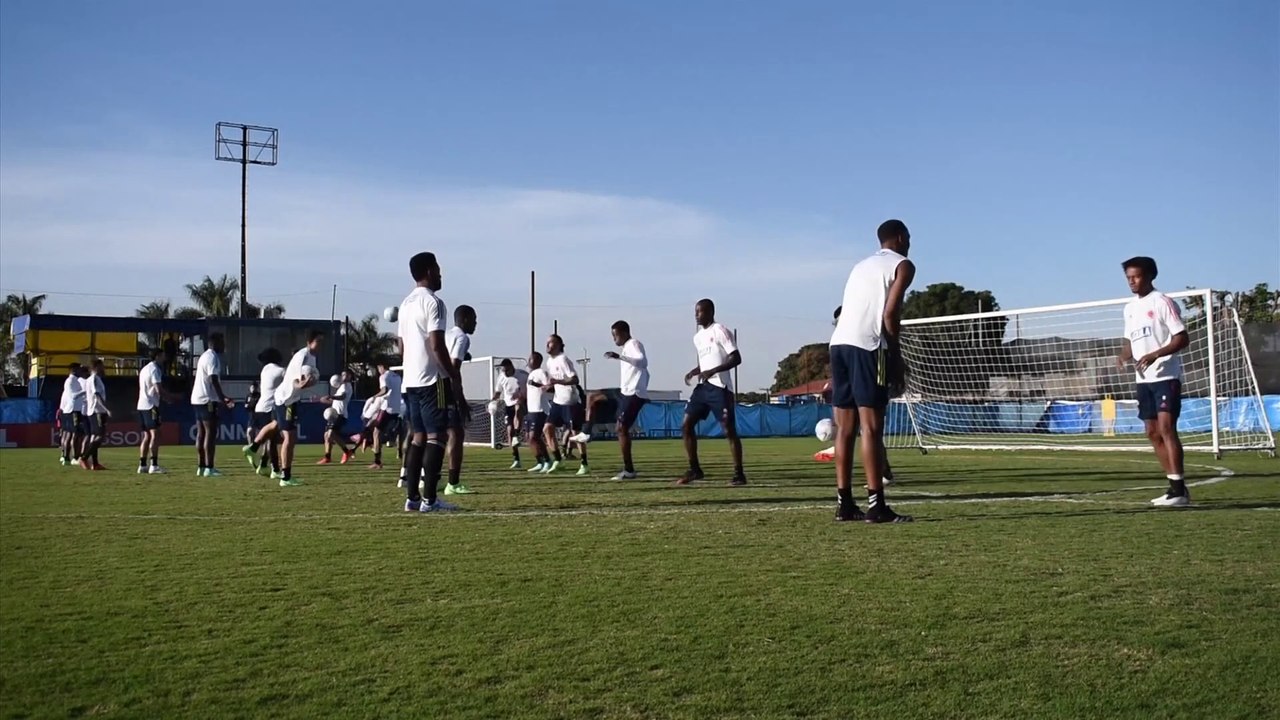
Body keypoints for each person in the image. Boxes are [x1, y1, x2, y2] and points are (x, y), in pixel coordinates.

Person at [829, 219, 916, 523]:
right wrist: (896, 358)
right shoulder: (903, 265)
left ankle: (844, 504)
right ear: (900, 237)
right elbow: (890, 314)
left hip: (838, 345)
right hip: (869, 346)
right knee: (872, 427)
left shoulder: (860, 265)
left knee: (845, 428)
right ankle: (876, 506)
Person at [397, 251, 468, 512]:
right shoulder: (434, 302)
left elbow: (401, 347)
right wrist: (452, 374)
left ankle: (412, 499)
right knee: (436, 436)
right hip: (431, 380)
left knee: (418, 437)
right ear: (429, 270)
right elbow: (437, 345)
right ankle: (430, 499)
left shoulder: (405, 304)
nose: (440, 274)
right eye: (438, 269)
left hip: (411, 381)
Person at [1118, 255, 1191, 507]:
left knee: (1167, 428)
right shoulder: (1129, 308)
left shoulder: (1162, 302)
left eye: (1136, 276)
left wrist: (1155, 354)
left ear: (1150, 276)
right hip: (1143, 380)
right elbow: (1129, 340)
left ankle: (1179, 490)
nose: (1132, 282)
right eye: (1128, 278)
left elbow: (1182, 338)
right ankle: (1174, 488)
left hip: (1166, 377)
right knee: (1152, 432)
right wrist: (1124, 355)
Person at [823, 306, 896, 486]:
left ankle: (882, 475)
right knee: (848, 429)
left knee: (869, 428)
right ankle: (848, 497)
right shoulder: (840, 342)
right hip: (851, 361)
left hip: (869, 356)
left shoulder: (865, 333)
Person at [678, 299, 746, 486]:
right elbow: (707, 361)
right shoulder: (698, 337)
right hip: (703, 387)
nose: (696, 315)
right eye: (695, 311)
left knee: (729, 431)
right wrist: (696, 370)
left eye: (699, 311)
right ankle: (695, 469)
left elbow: (736, 358)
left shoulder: (720, 330)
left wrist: (713, 371)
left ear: (710, 312)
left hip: (720, 388)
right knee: (686, 425)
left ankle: (739, 474)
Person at [573, 320, 649, 480]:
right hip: (623, 392)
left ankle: (629, 470)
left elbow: (643, 362)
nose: (614, 339)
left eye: (615, 335)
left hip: (635, 394)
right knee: (592, 396)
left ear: (624, 333)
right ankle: (586, 433)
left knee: (621, 429)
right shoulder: (626, 348)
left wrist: (620, 357)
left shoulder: (634, 343)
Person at [542, 334, 588, 475]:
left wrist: (557, 382)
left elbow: (575, 379)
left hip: (570, 401)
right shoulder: (549, 362)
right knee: (547, 429)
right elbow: (554, 382)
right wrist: (549, 387)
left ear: (557, 345)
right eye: (547, 343)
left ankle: (584, 463)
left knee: (575, 433)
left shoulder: (563, 360)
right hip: (557, 401)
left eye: (550, 343)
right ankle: (558, 460)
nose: (547, 345)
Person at [443, 305, 477, 495]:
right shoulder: (462, 337)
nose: (476, 324)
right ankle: (453, 483)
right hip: (446, 388)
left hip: (432, 385)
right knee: (456, 433)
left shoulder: (447, 335)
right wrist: (460, 397)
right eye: (474, 319)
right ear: (464, 320)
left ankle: (426, 478)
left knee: (433, 433)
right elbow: (454, 368)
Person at [191, 333, 235, 477]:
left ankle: (201, 466)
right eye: (222, 342)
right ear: (216, 343)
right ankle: (209, 467)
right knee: (210, 432)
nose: (224, 346)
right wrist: (222, 398)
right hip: (207, 399)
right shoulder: (212, 358)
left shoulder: (204, 356)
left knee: (201, 433)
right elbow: (213, 379)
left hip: (197, 398)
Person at [242, 348, 286, 478]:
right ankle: (273, 468)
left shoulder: (265, 369)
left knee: (271, 440)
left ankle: (264, 465)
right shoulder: (278, 370)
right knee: (272, 441)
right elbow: (288, 375)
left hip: (260, 407)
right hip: (269, 409)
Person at [136, 347, 175, 474]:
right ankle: (154, 464)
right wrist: (169, 398)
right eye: (163, 355)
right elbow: (158, 388)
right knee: (155, 434)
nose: (165, 358)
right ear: (157, 356)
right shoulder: (154, 370)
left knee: (146, 435)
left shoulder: (144, 369)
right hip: (151, 405)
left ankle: (142, 465)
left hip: (141, 405)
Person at [523, 351, 554, 472]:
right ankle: (539, 462)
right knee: (529, 437)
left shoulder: (542, 373)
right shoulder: (531, 374)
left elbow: (550, 388)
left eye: (530, 359)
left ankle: (547, 461)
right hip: (531, 410)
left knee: (534, 436)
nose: (528, 361)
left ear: (536, 360)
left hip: (540, 410)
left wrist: (536, 384)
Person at [370, 359, 403, 471]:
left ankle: (377, 461)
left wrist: (375, 396)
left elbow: (384, 390)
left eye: (378, 368)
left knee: (376, 432)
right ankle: (399, 451)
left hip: (387, 408)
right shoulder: (397, 377)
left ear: (381, 366)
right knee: (398, 432)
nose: (378, 371)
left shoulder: (384, 377)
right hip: (397, 408)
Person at [491, 359, 524, 469]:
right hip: (508, 405)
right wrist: (493, 400)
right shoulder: (501, 377)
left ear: (511, 367)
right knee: (509, 431)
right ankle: (516, 458)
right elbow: (498, 392)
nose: (504, 372)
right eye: (503, 369)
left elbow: (531, 386)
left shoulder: (522, 375)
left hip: (522, 402)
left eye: (506, 369)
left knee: (518, 408)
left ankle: (517, 434)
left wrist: (523, 395)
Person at [319, 369, 356, 465]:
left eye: (346, 375)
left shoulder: (346, 386)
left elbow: (342, 397)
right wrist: (324, 400)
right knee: (327, 436)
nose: (344, 377)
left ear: (350, 377)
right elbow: (336, 401)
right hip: (334, 414)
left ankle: (346, 451)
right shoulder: (341, 387)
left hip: (341, 414)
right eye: (343, 375)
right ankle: (327, 457)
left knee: (331, 434)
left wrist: (331, 396)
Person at [81, 359, 111, 471]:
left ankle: (95, 463)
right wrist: (106, 409)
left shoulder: (91, 379)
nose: (104, 368)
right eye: (102, 366)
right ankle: (84, 457)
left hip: (93, 411)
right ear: (97, 367)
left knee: (94, 436)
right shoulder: (94, 379)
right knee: (100, 436)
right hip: (97, 411)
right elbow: (97, 395)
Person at [58, 362, 86, 466]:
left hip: (70, 409)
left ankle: (65, 457)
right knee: (73, 434)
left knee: (68, 434)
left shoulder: (74, 381)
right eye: (79, 369)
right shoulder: (70, 381)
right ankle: (73, 457)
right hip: (73, 410)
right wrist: (85, 391)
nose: (81, 371)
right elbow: (73, 396)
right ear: (74, 370)